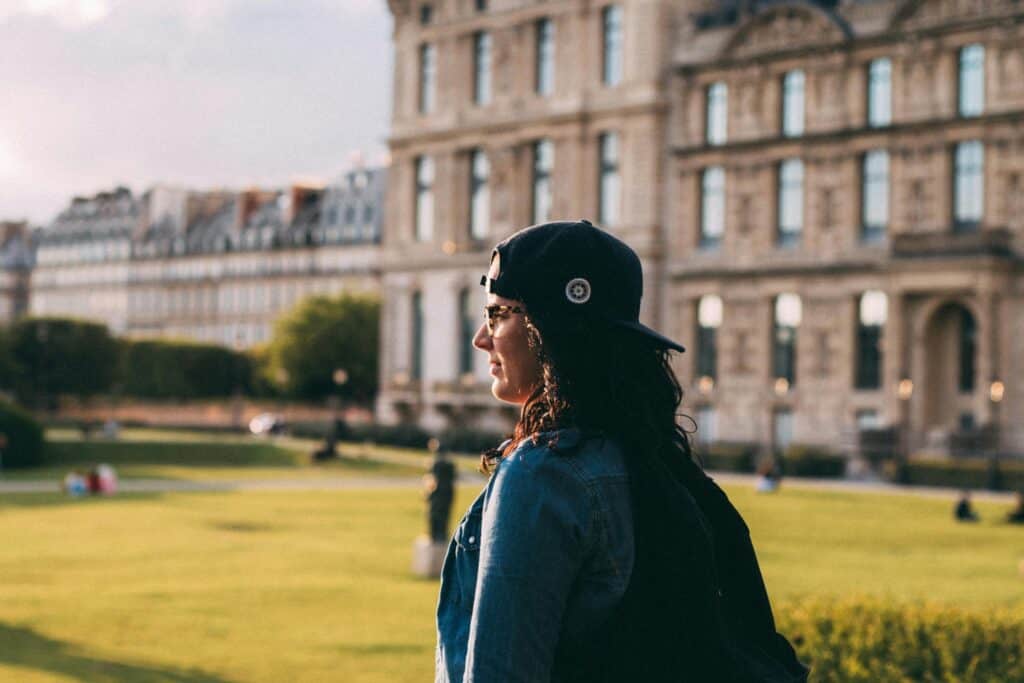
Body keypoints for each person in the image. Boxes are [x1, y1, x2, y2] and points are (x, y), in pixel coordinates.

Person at [435, 220, 807, 682]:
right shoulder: (659, 464)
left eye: (498, 314)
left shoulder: (543, 475)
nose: (481, 338)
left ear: (548, 328)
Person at [425, 438, 457, 542]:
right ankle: (441, 534)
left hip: (438, 493)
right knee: (445, 515)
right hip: (448, 493)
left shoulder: (436, 464)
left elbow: (433, 481)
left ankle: (435, 534)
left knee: (434, 514)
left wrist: (428, 494)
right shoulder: (450, 464)